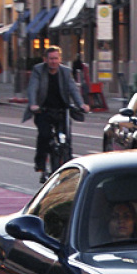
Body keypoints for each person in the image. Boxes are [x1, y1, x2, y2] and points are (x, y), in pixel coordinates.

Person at [22, 46, 89, 179]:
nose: (53, 61)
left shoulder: (65, 71)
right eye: (51, 58)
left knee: (67, 140)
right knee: (44, 135)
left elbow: (73, 89)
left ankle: (69, 168)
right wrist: (34, 104)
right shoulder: (38, 70)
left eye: (56, 58)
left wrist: (81, 104)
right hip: (43, 110)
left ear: (60, 59)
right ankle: (40, 165)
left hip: (62, 110)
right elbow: (33, 88)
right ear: (45, 59)